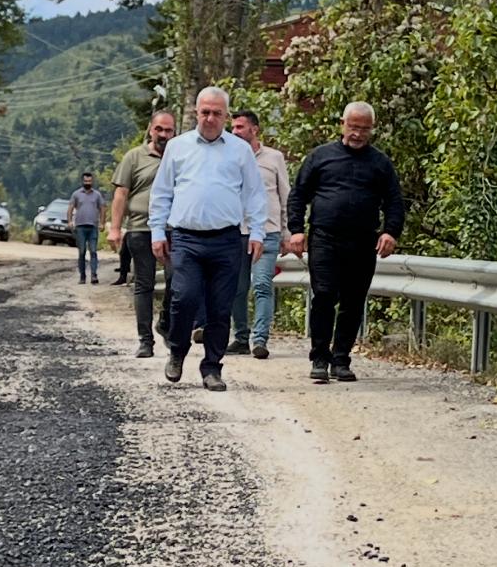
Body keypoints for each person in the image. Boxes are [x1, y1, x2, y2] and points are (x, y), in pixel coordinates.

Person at [149, 86, 267, 391]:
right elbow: (161, 193)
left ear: (226, 116)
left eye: (216, 113)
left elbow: (255, 195)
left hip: (226, 239)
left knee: (220, 307)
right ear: (196, 113)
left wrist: (257, 232)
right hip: (186, 238)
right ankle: (177, 351)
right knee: (184, 297)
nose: (210, 118)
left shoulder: (240, 151)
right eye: (205, 112)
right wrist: (158, 232)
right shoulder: (178, 147)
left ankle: (212, 367)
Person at [284, 101, 405, 384]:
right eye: (353, 127)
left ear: (372, 129)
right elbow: (298, 194)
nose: (358, 134)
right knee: (324, 295)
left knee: (353, 301)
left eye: (364, 129)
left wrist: (390, 232)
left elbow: (394, 201)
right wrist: (296, 230)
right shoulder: (320, 156)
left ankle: (341, 359)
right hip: (325, 238)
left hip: (363, 242)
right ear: (343, 124)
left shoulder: (380, 163)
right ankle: (319, 358)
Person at [109, 110, 179, 357]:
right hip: (140, 228)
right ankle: (145, 341)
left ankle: (166, 322)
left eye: (168, 130)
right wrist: (115, 228)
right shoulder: (134, 157)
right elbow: (121, 194)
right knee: (144, 283)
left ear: (174, 132)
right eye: (159, 129)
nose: (163, 134)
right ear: (150, 129)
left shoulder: (180, 156)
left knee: (177, 280)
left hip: (173, 229)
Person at [228, 110, 290, 359]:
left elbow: (285, 195)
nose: (234, 132)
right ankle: (241, 337)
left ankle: (260, 339)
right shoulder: (228, 157)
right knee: (237, 288)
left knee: (262, 284)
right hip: (236, 231)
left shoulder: (274, 158)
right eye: (233, 127)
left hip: (267, 231)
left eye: (240, 127)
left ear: (254, 129)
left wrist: (287, 231)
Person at [66, 172, 106, 285]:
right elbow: (70, 208)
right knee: (82, 252)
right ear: (82, 181)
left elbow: (103, 208)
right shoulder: (76, 194)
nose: (87, 183)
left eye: (89, 181)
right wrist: (70, 221)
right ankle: (82, 276)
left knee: (93, 251)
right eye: (86, 181)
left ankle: (94, 275)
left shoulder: (97, 195)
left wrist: (102, 223)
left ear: (92, 181)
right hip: (80, 227)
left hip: (93, 227)